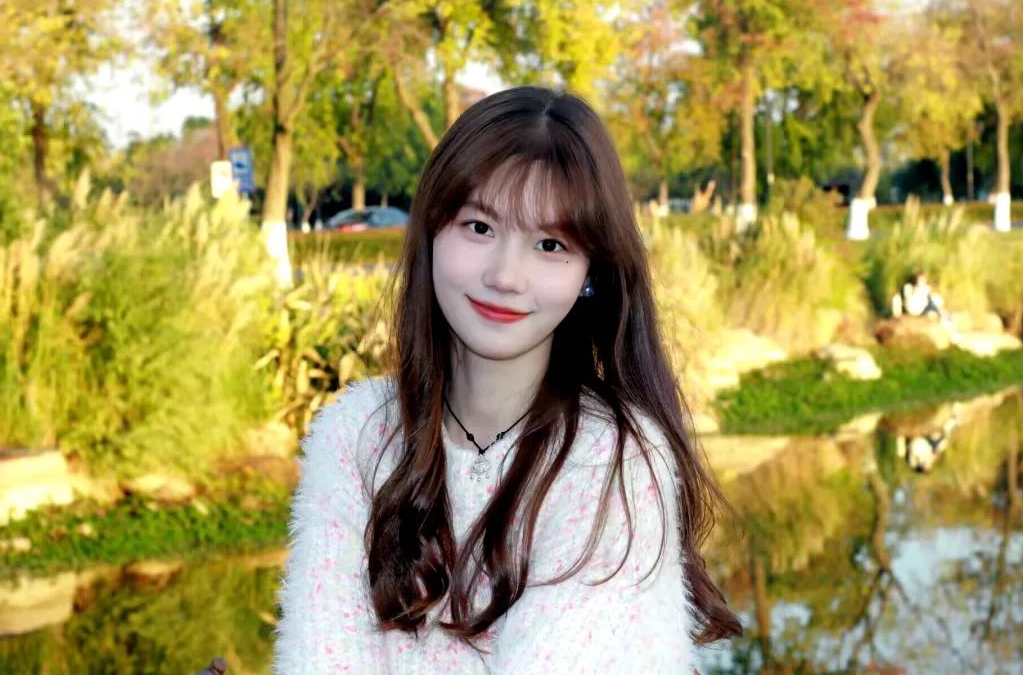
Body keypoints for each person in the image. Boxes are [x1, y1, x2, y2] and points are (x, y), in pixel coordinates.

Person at [271, 86, 742, 674]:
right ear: (432, 232)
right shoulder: (356, 434)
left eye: (550, 244)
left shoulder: (613, 460)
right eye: (479, 227)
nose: (506, 276)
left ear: (590, 271)